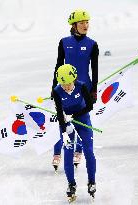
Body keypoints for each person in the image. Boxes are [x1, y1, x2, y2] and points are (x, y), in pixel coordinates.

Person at [51, 9, 99, 169]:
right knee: (62, 119)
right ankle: (57, 152)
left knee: (80, 119)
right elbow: (58, 65)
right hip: (64, 86)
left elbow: (95, 69)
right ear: (74, 25)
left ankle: (79, 150)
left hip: (84, 88)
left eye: (87, 22)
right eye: (81, 23)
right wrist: (53, 87)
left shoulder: (92, 44)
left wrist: (94, 90)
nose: (85, 25)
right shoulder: (64, 42)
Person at [53, 64, 96, 201]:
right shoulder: (57, 91)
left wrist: (75, 115)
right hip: (66, 122)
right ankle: (71, 184)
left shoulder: (81, 86)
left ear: (74, 79)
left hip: (82, 119)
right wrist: (65, 131)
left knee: (88, 150)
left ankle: (91, 181)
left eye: (68, 84)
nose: (66, 87)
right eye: (63, 84)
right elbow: (60, 113)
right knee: (68, 151)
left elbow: (90, 106)